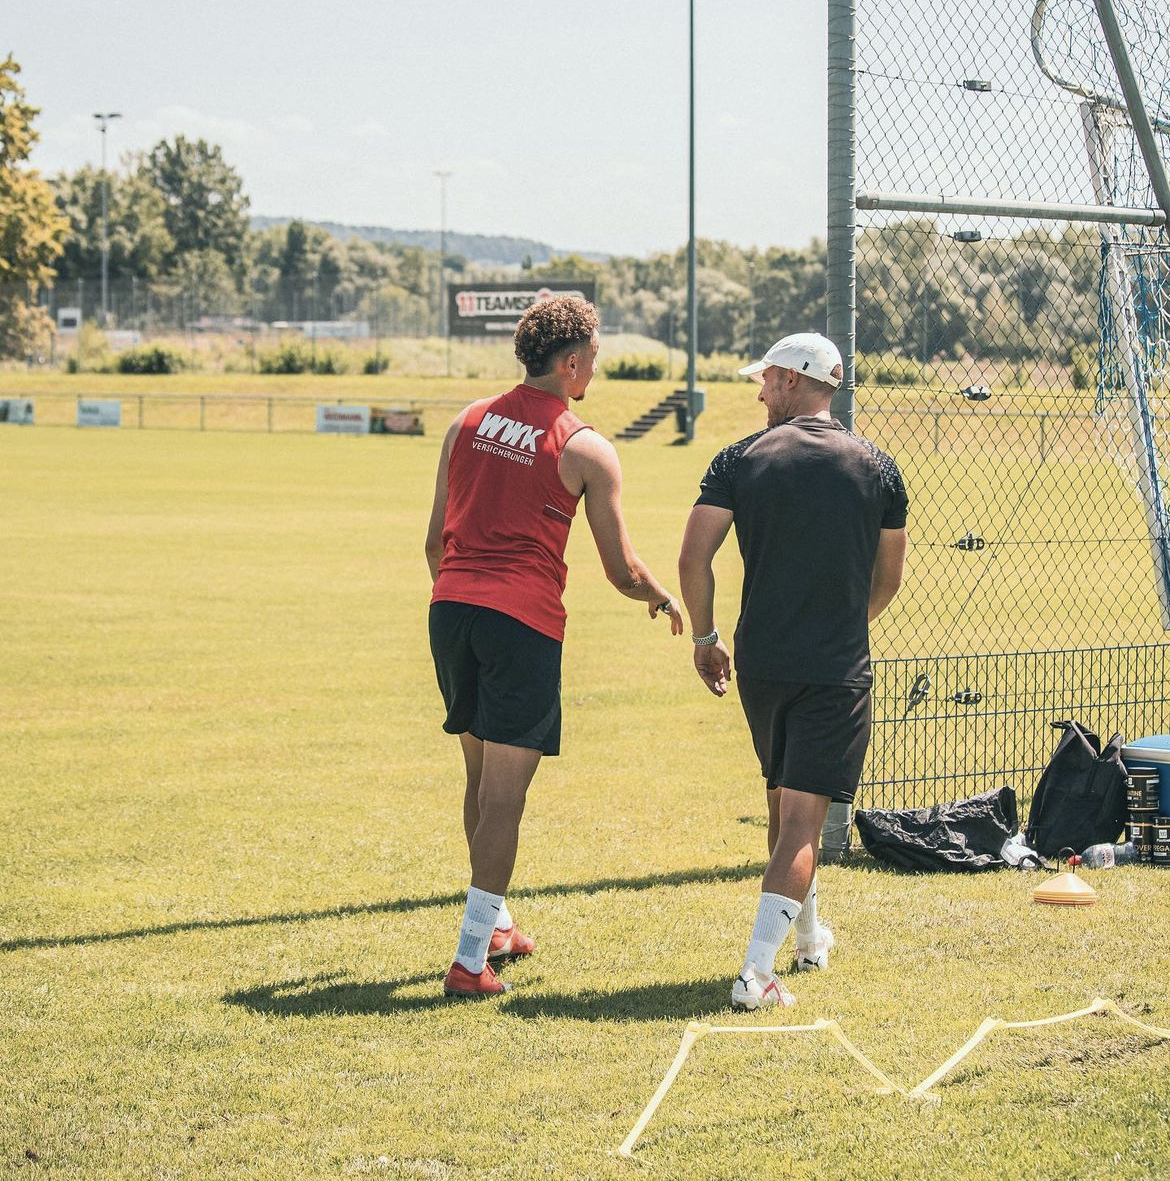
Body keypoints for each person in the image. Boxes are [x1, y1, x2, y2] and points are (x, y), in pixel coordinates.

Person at [425, 294, 685, 999]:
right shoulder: (584, 445)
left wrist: (463, 598)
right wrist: (661, 595)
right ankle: (470, 957)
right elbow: (620, 568)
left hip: (450, 610)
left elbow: (432, 541)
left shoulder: (466, 421)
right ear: (571, 363)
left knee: (479, 779)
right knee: (506, 795)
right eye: (594, 358)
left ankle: (497, 922)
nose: (594, 369)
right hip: (520, 622)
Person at [677, 332, 907, 1011]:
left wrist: (706, 637)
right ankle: (755, 972)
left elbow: (694, 558)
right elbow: (888, 579)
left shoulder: (737, 459)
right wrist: (842, 623)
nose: (758, 391)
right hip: (835, 666)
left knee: (783, 807)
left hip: (762, 664)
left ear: (790, 380)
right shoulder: (879, 467)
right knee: (803, 821)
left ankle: (808, 938)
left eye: (765, 380)